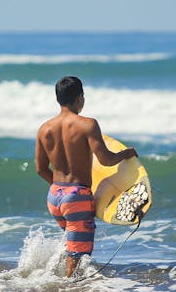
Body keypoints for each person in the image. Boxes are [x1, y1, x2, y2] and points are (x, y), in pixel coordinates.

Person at [35, 76, 137, 277]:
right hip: (77, 197)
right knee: (78, 256)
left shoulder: (44, 129)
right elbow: (106, 160)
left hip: (54, 196)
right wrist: (127, 153)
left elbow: (40, 169)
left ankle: (61, 290)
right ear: (80, 98)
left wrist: (63, 191)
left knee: (73, 248)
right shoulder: (88, 125)